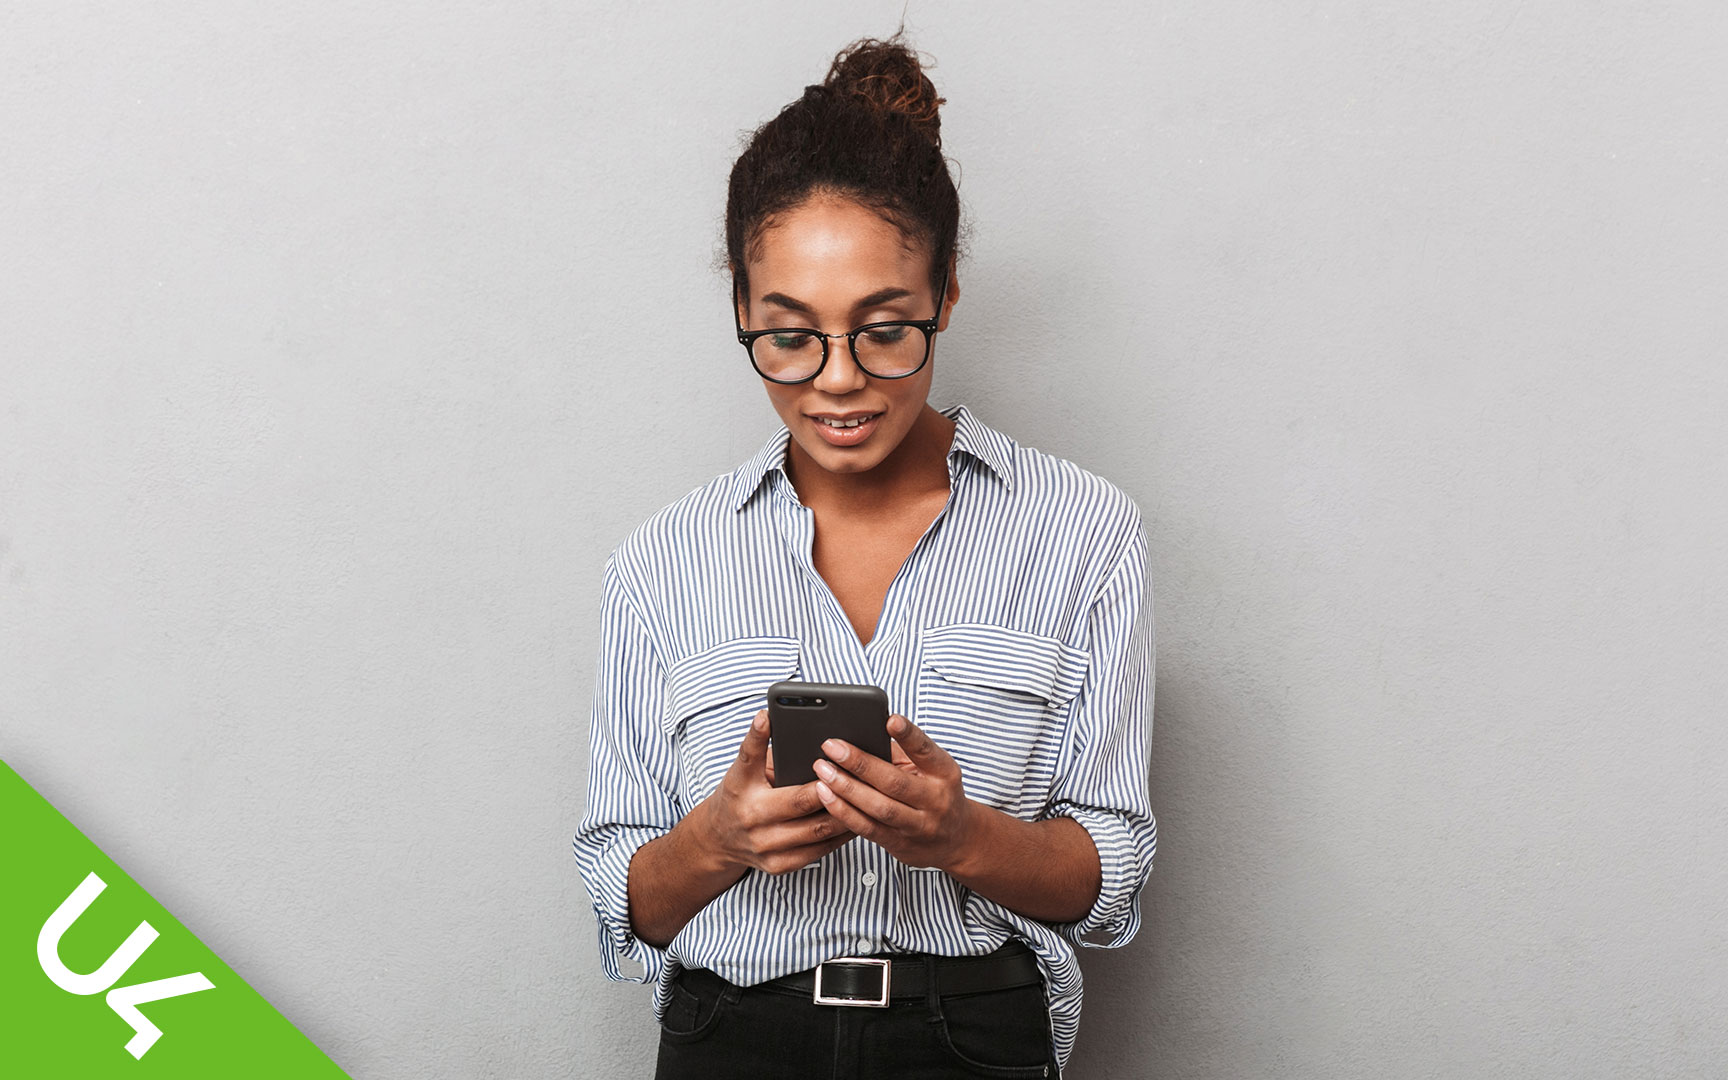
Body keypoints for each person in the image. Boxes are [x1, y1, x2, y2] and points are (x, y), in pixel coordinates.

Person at [573, 34, 1155, 1079]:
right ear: (744, 315)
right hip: (731, 1038)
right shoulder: (661, 561)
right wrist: (720, 841)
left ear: (947, 299)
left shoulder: (1083, 529)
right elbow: (626, 895)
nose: (838, 382)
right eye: (790, 335)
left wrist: (962, 836)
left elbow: (1105, 874)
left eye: (885, 329)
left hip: (968, 1039)